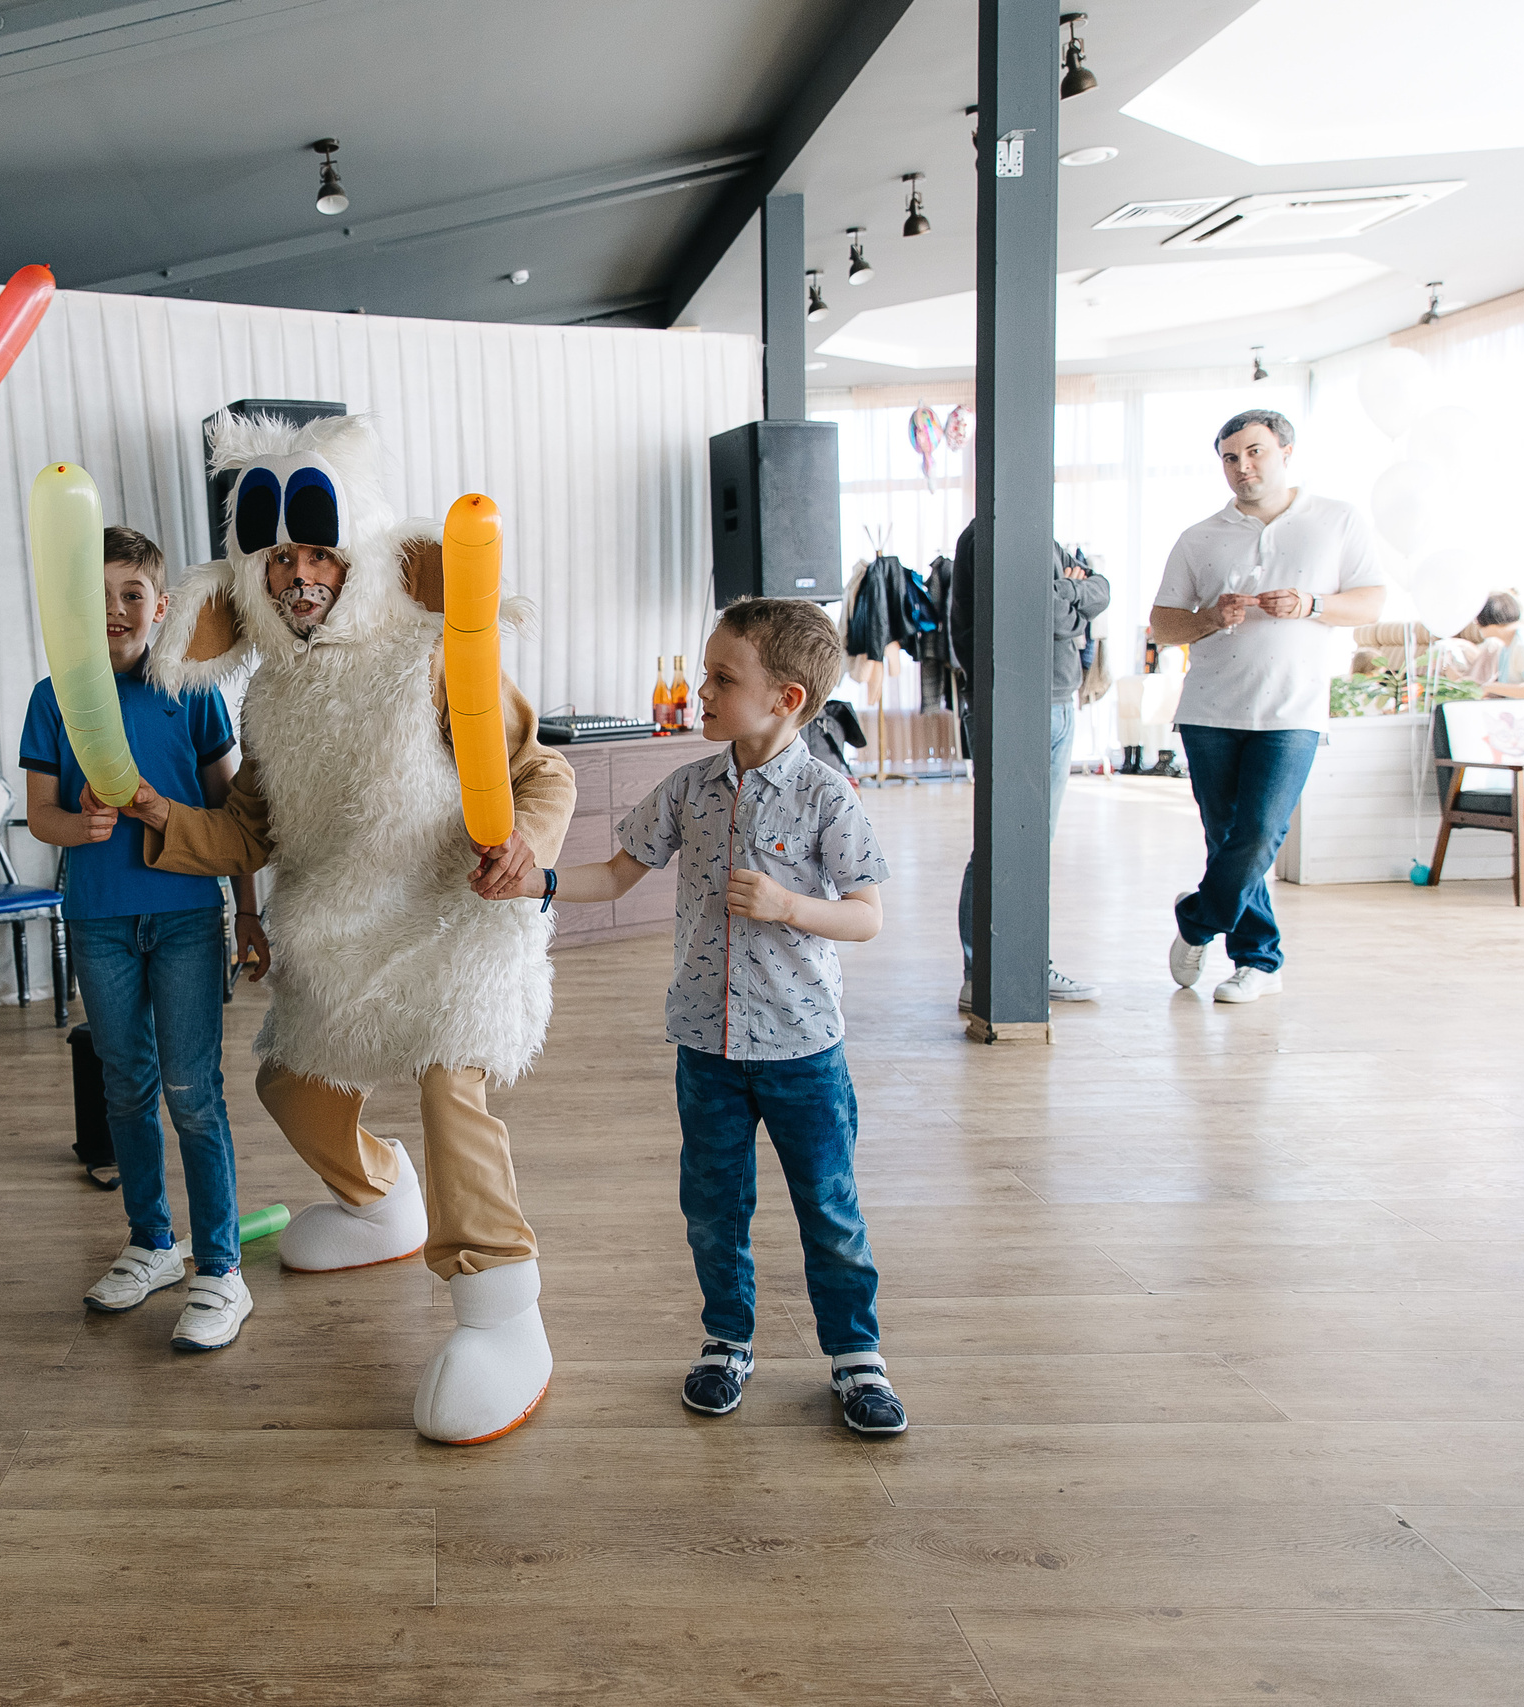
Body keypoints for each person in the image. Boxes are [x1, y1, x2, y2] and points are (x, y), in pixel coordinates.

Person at [124, 411, 576, 1444]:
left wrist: (530, 849)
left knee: (447, 1082)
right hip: (340, 925)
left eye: (317, 550)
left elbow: (537, 772)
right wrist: (163, 819)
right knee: (290, 1085)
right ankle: (379, 1201)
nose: (297, 574)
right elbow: (247, 830)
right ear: (246, 586)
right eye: (274, 558)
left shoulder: (428, 652)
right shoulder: (268, 699)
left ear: (365, 554)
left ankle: (503, 1308)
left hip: (454, 907)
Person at [479, 598, 903, 1434]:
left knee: (829, 1204)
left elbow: (866, 914)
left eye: (720, 678)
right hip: (704, 1045)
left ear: (785, 698)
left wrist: (788, 904)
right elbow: (615, 872)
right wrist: (538, 883)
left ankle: (857, 1357)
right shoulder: (688, 787)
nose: (698, 690)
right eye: (705, 672)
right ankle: (726, 1340)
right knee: (713, 1204)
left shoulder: (826, 796)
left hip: (802, 1052)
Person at [22, 525, 258, 1352]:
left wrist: (250, 913)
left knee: (193, 1092)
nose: (117, 610)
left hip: (190, 916)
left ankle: (221, 1267)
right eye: (101, 596)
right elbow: (39, 813)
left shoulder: (193, 691)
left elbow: (236, 823)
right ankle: (153, 1243)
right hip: (99, 919)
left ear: (161, 607)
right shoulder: (54, 697)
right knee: (126, 1085)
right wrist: (79, 826)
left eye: (133, 595)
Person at [1149, 410, 1385, 1003]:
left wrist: (1310, 603)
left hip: (1293, 712)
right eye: (1230, 458)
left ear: (1286, 452)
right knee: (1225, 837)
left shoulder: (1337, 520)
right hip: (1209, 711)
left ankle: (1198, 919)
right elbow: (1163, 625)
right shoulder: (1199, 536)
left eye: (1255, 452)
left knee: (1257, 834)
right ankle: (1258, 960)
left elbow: (1370, 604)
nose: (1242, 467)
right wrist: (1209, 618)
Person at [946, 523, 1109, 1009]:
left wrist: (1068, 593)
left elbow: (1099, 592)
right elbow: (1050, 615)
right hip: (1014, 702)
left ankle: (1023, 963)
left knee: (1034, 843)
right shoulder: (998, 531)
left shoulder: (1047, 534)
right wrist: (1072, 600)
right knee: (1003, 843)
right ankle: (986, 973)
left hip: (1057, 701)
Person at [1428, 590, 1524, 698]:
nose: (1475, 623)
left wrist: (1489, 687)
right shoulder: (1507, 643)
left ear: (1491, 615)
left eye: (1477, 617)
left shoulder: (1522, 643)